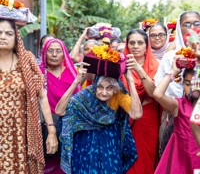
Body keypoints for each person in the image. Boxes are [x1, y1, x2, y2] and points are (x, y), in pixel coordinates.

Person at [55, 54, 143, 174]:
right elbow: (60, 110)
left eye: (109, 88)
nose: (104, 92)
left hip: (109, 150)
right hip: (85, 150)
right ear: (95, 86)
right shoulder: (86, 95)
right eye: (100, 87)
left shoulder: (118, 97)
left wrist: (130, 81)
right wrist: (76, 81)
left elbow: (136, 114)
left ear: (115, 89)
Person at [0, 18, 58, 173]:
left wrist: (51, 130)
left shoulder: (26, 60)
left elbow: (42, 96)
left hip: (21, 135)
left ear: (16, 37)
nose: (3, 36)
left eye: (8, 33)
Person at [154, 10, 200, 158]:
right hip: (175, 116)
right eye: (186, 24)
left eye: (196, 23)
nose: (192, 27)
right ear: (179, 29)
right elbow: (160, 90)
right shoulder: (170, 57)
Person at [121, 29, 160, 174]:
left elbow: (153, 93)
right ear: (127, 45)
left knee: (147, 156)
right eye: (132, 43)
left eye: (140, 43)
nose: (135, 46)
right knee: (127, 159)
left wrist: (138, 68)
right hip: (125, 116)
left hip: (148, 119)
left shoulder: (155, 66)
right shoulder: (119, 65)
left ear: (146, 46)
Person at [40, 38, 82, 173]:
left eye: (58, 51)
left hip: (71, 127)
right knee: (49, 164)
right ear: (44, 53)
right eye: (50, 51)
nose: (54, 54)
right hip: (46, 126)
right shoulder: (38, 73)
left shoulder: (72, 72)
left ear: (64, 54)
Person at [153, 57, 200, 174]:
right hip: (181, 159)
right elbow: (157, 94)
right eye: (187, 84)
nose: (191, 88)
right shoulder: (179, 105)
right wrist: (172, 73)